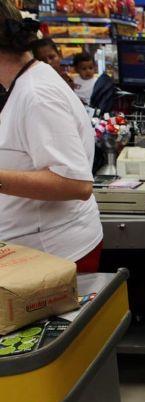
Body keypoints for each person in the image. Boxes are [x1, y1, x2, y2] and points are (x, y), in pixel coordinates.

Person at [0, 0, 103, 272]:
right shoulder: (25, 83)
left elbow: (74, 184)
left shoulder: (37, 94)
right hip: (36, 251)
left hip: (55, 254)